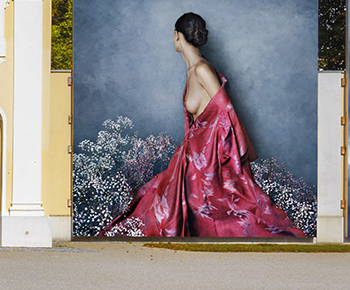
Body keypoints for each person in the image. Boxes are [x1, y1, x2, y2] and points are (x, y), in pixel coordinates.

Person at [99, 12, 304, 238]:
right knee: (156, 200)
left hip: (208, 161)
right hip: (190, 157)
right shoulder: (191, 70)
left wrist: (237, 156)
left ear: (177, 36)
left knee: (220, 212)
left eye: (173, 35)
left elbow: (226, 110)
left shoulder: (202, 69)